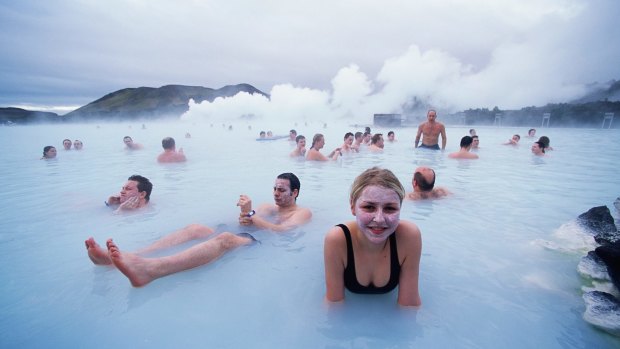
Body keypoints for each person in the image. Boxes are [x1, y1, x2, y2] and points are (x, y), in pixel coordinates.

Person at [85, 173, 312, 287]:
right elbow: (247, 222)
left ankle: (151, 270)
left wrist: (251, 216)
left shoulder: (302, 213)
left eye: (281, 190)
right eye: (274, 188)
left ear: (295, 193)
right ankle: (131, 256)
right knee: (195, 228)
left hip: (256, 243)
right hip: (244, 233)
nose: (275, 193)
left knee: (223, 238)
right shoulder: (266, 207)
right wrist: (245, 214)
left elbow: (284, 233)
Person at [323, 167, 422, 306]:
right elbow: (334, 304)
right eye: (369, 207)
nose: (379, 219)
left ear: (400, 208)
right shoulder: (338, 239)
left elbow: (409, 305)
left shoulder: (409, 236)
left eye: (390, 208)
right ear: (352, 206)